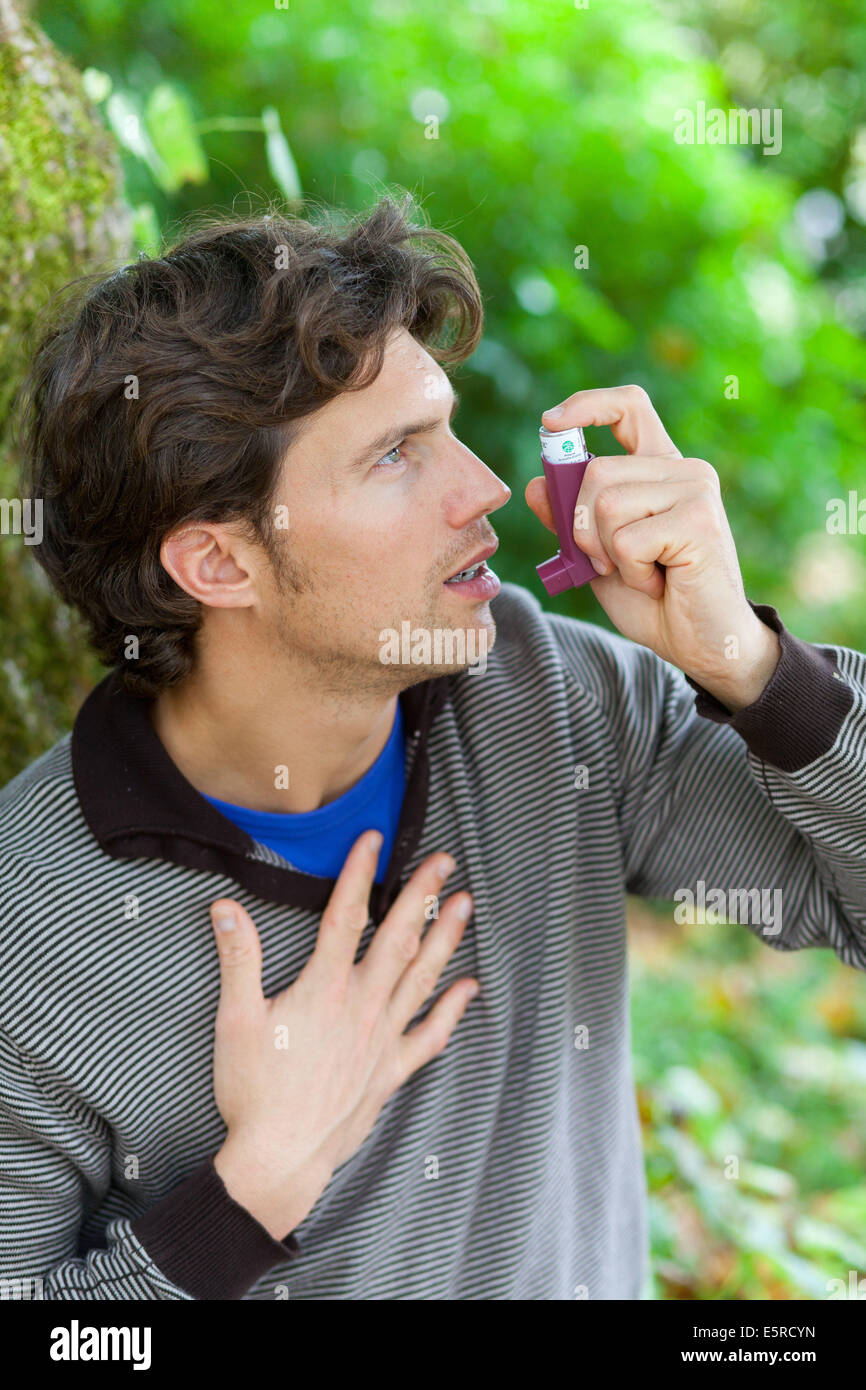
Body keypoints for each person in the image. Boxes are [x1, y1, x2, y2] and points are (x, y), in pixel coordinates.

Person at [1, 194, 863, 1300]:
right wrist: (251, 1192)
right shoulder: (29, 940)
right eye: (395, 458)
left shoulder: (550, 698)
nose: (486, 489)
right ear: (218, 565)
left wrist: (755, 670)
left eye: (444, 426)